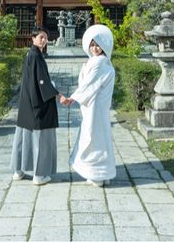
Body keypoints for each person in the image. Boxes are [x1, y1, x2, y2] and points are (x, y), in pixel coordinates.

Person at [61, 24, 116, 187]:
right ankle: (103, 173)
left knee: (93, 136)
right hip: (97, 106)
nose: (94, 48)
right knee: (100, 136)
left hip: (95, 106)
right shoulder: (102, 62)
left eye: (98, 45)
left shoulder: (99, 62)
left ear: (104, 45)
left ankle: (96, 174)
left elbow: (89, 84)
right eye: (92, 45)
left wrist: (73, 98)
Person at [10, 26, 63, 185]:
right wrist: (57, 95)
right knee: (40, 138)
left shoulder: (31, 54)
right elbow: (43, 82)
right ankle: (39, 175)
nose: (44, 40)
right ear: (33, 38)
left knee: (22, 136)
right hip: (37, 102)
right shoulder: (36, 56)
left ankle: (18, 170)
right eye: (41, 37)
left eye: (45, 37)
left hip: (27, 100)